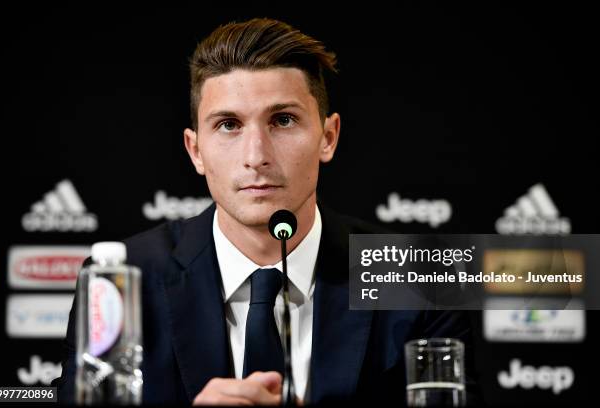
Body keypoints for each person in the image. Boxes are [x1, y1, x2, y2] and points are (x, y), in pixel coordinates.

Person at [54, 18, 476, 405]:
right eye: (228, 125)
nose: (256, 155)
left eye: (284, 120)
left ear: (328, 137)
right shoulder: (122, 281)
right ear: (195, 150)